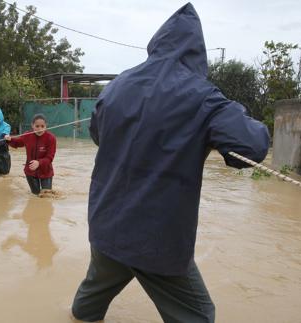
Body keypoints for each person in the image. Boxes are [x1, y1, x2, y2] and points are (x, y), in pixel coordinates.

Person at [71, 4, 270, 323]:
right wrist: (230, 112)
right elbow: (252, 146)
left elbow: (98, 134)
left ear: (158, 42)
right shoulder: (204, 97)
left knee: (88, 305)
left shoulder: (118, 85)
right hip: (156, 240)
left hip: (106, 224)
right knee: (199, 315)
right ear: (197, 51)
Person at [5, 114, 56, 195]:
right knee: (36, 195)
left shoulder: (51, 138)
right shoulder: (27, 135)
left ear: (46, 126)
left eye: (42, 126)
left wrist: (39, 163)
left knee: (46, 195)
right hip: (30, 172)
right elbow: (17, 143)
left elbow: (50, 158)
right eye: (37, 126)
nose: (40, 129)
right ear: (32, 125)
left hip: (46, 172)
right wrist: (9, 139)